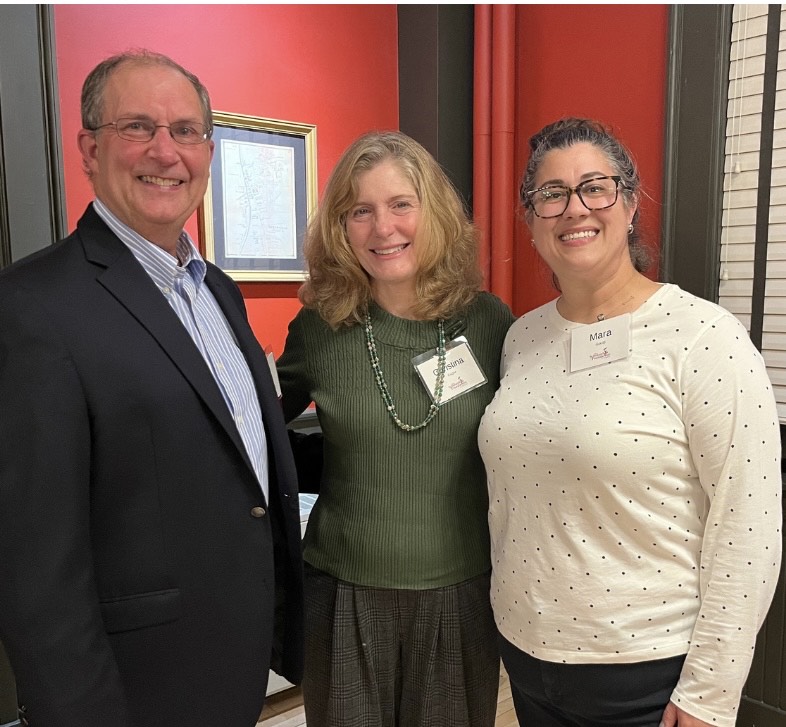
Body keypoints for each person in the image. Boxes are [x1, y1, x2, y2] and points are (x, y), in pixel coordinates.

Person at [0, 50, 303, 727]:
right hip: (135, 691)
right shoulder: (32, 307)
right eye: (137, 126)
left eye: (186, 130)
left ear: (208, 148)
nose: (165, 151)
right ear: (88, 148)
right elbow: (34, 568)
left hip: (232, 665)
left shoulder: (217, 290)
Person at [479, 117, 783, 727]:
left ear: (630, 202)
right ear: (529, 216)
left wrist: (710, 693)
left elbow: (747, 526)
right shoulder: (522, 336)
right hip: (528, 655)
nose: (575, 209)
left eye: (596, 187)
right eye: (552, 193)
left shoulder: (704, 338)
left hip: (647, 671)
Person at [276, 130, 515, 727]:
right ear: (341, 227)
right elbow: (247, 426)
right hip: (344, 595)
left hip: (460, 596)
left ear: (432, 211)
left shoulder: (490, 323)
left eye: (400, 204)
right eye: (360, 211)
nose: (383, 228)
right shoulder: (319, 329)